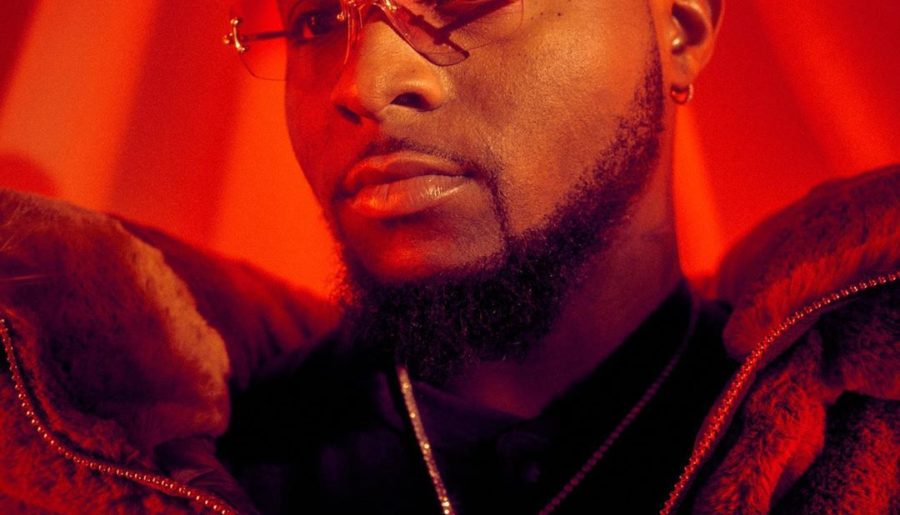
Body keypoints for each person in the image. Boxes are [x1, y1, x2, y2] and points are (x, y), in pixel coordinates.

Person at [0, 0, 896, 514]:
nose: (363, 81)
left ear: (683, 25)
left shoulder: (862, 441)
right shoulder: (178, 465)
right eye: (318, 16)